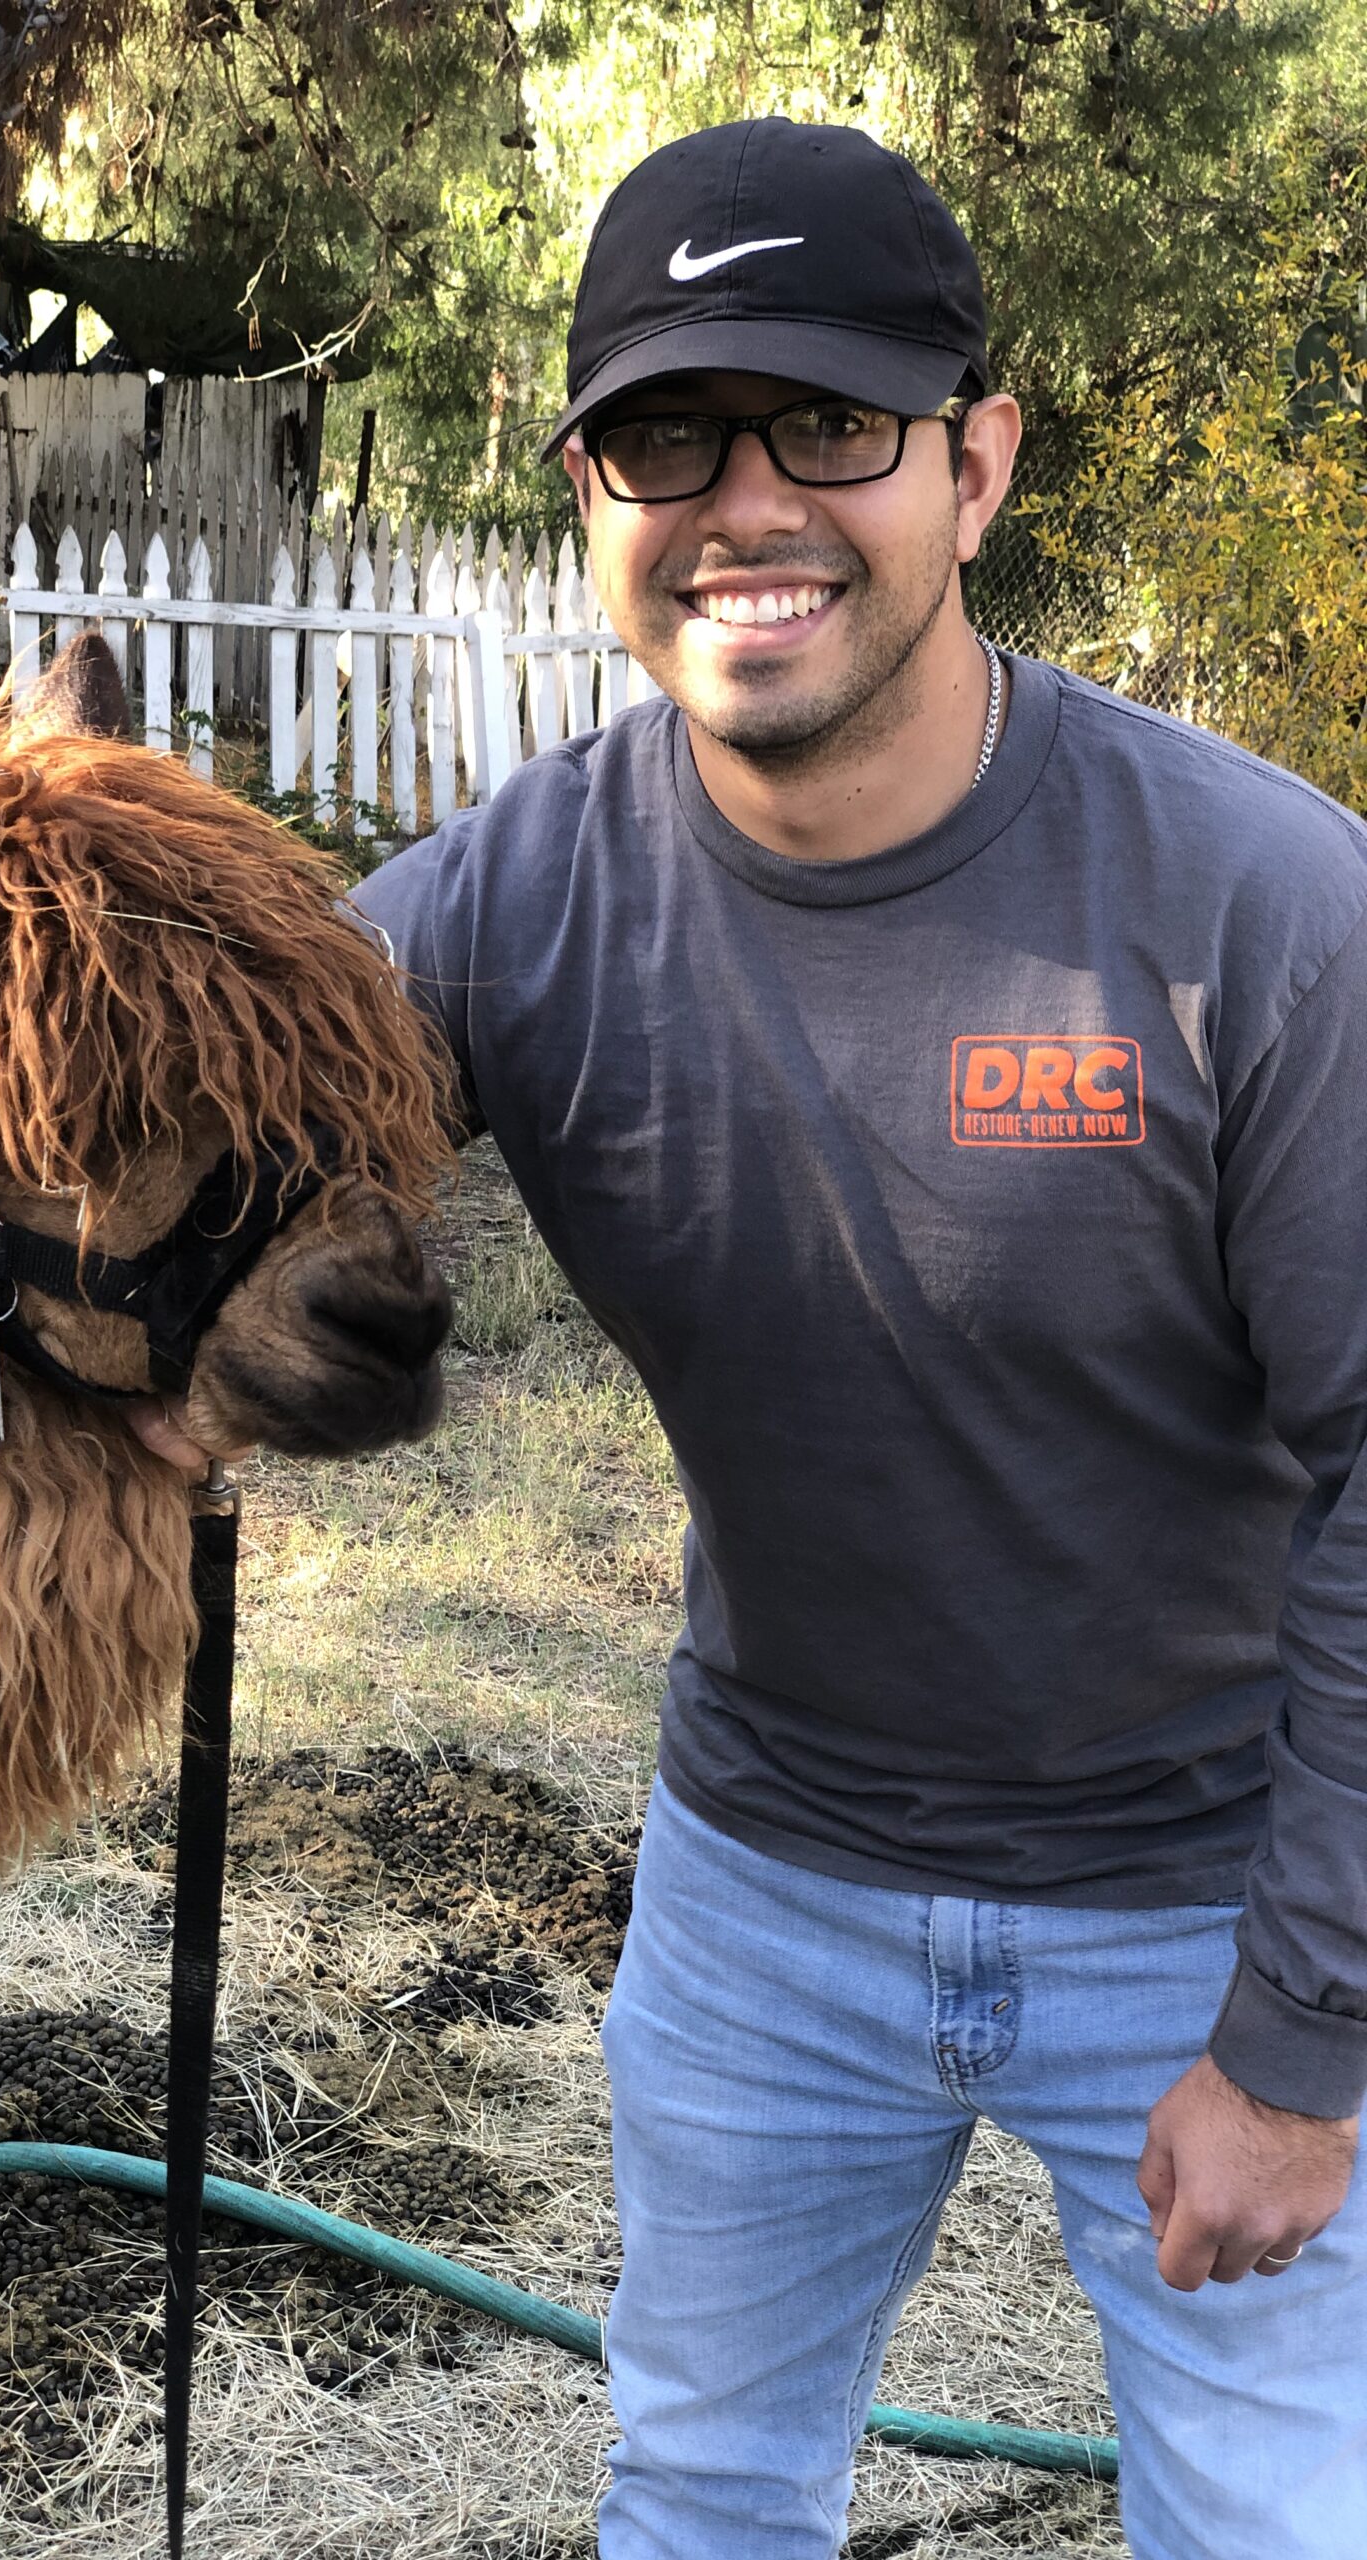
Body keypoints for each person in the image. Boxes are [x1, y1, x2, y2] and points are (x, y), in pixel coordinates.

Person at [338, 117, 1367, 2560]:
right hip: (761, 1887)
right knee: (700, 2486)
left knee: (1273, 2511)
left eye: (833, 426)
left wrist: (1306, 2036)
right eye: (667, 436)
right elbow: (180, 1120)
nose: (748, 503)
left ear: (978, 463)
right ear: (588, 487)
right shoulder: (508, 905)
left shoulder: (1261, 906)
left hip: (1204, 1891)